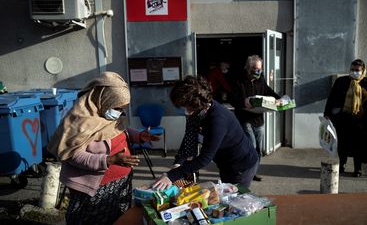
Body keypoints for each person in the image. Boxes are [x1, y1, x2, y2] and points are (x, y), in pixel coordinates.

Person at [47, 72, 159, 224]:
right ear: (103, 99)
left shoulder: (109, 115)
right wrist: (109, 160)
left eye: (123, 108)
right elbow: (72, 155)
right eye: (118, 108)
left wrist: (139, 136)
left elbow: (120, 131)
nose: (120, 113)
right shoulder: (79, 122)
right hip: (93, 190)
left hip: (121, 182)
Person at [151, 76, 259, 190]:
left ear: (195, 104)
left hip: (242, 165)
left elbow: (205, 158)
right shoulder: (196, 114)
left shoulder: (217, 120)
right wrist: (179, 162)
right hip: (224, 163)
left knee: (234, 200)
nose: (182, 110)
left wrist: (172, 176)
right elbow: (189, 137)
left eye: (184, 106)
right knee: (226, 195)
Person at [324, 59, 367, 177]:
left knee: (360, 146)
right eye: (352, 69)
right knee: (343, 143)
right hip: (344, 118)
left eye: (357, 70)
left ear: (363, 71)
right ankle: (342, 164)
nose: (354, 72)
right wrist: (327, 113)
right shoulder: (341, 82)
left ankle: (358, 168)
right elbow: (332, 98)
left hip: (362, 121)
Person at [231, 55, 281, 182]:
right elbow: (232, 99)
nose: (258, 71)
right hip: (244, 118)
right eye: (255, 69)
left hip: (258, 119)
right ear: (248, 68)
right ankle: (245, 172)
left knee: (258, 148)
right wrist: (243, 102)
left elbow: (267, 90)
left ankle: (253, 172)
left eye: (260, 68)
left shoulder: (261, 79)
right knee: (251, 146)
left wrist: (278, 98)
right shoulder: (238, 81)